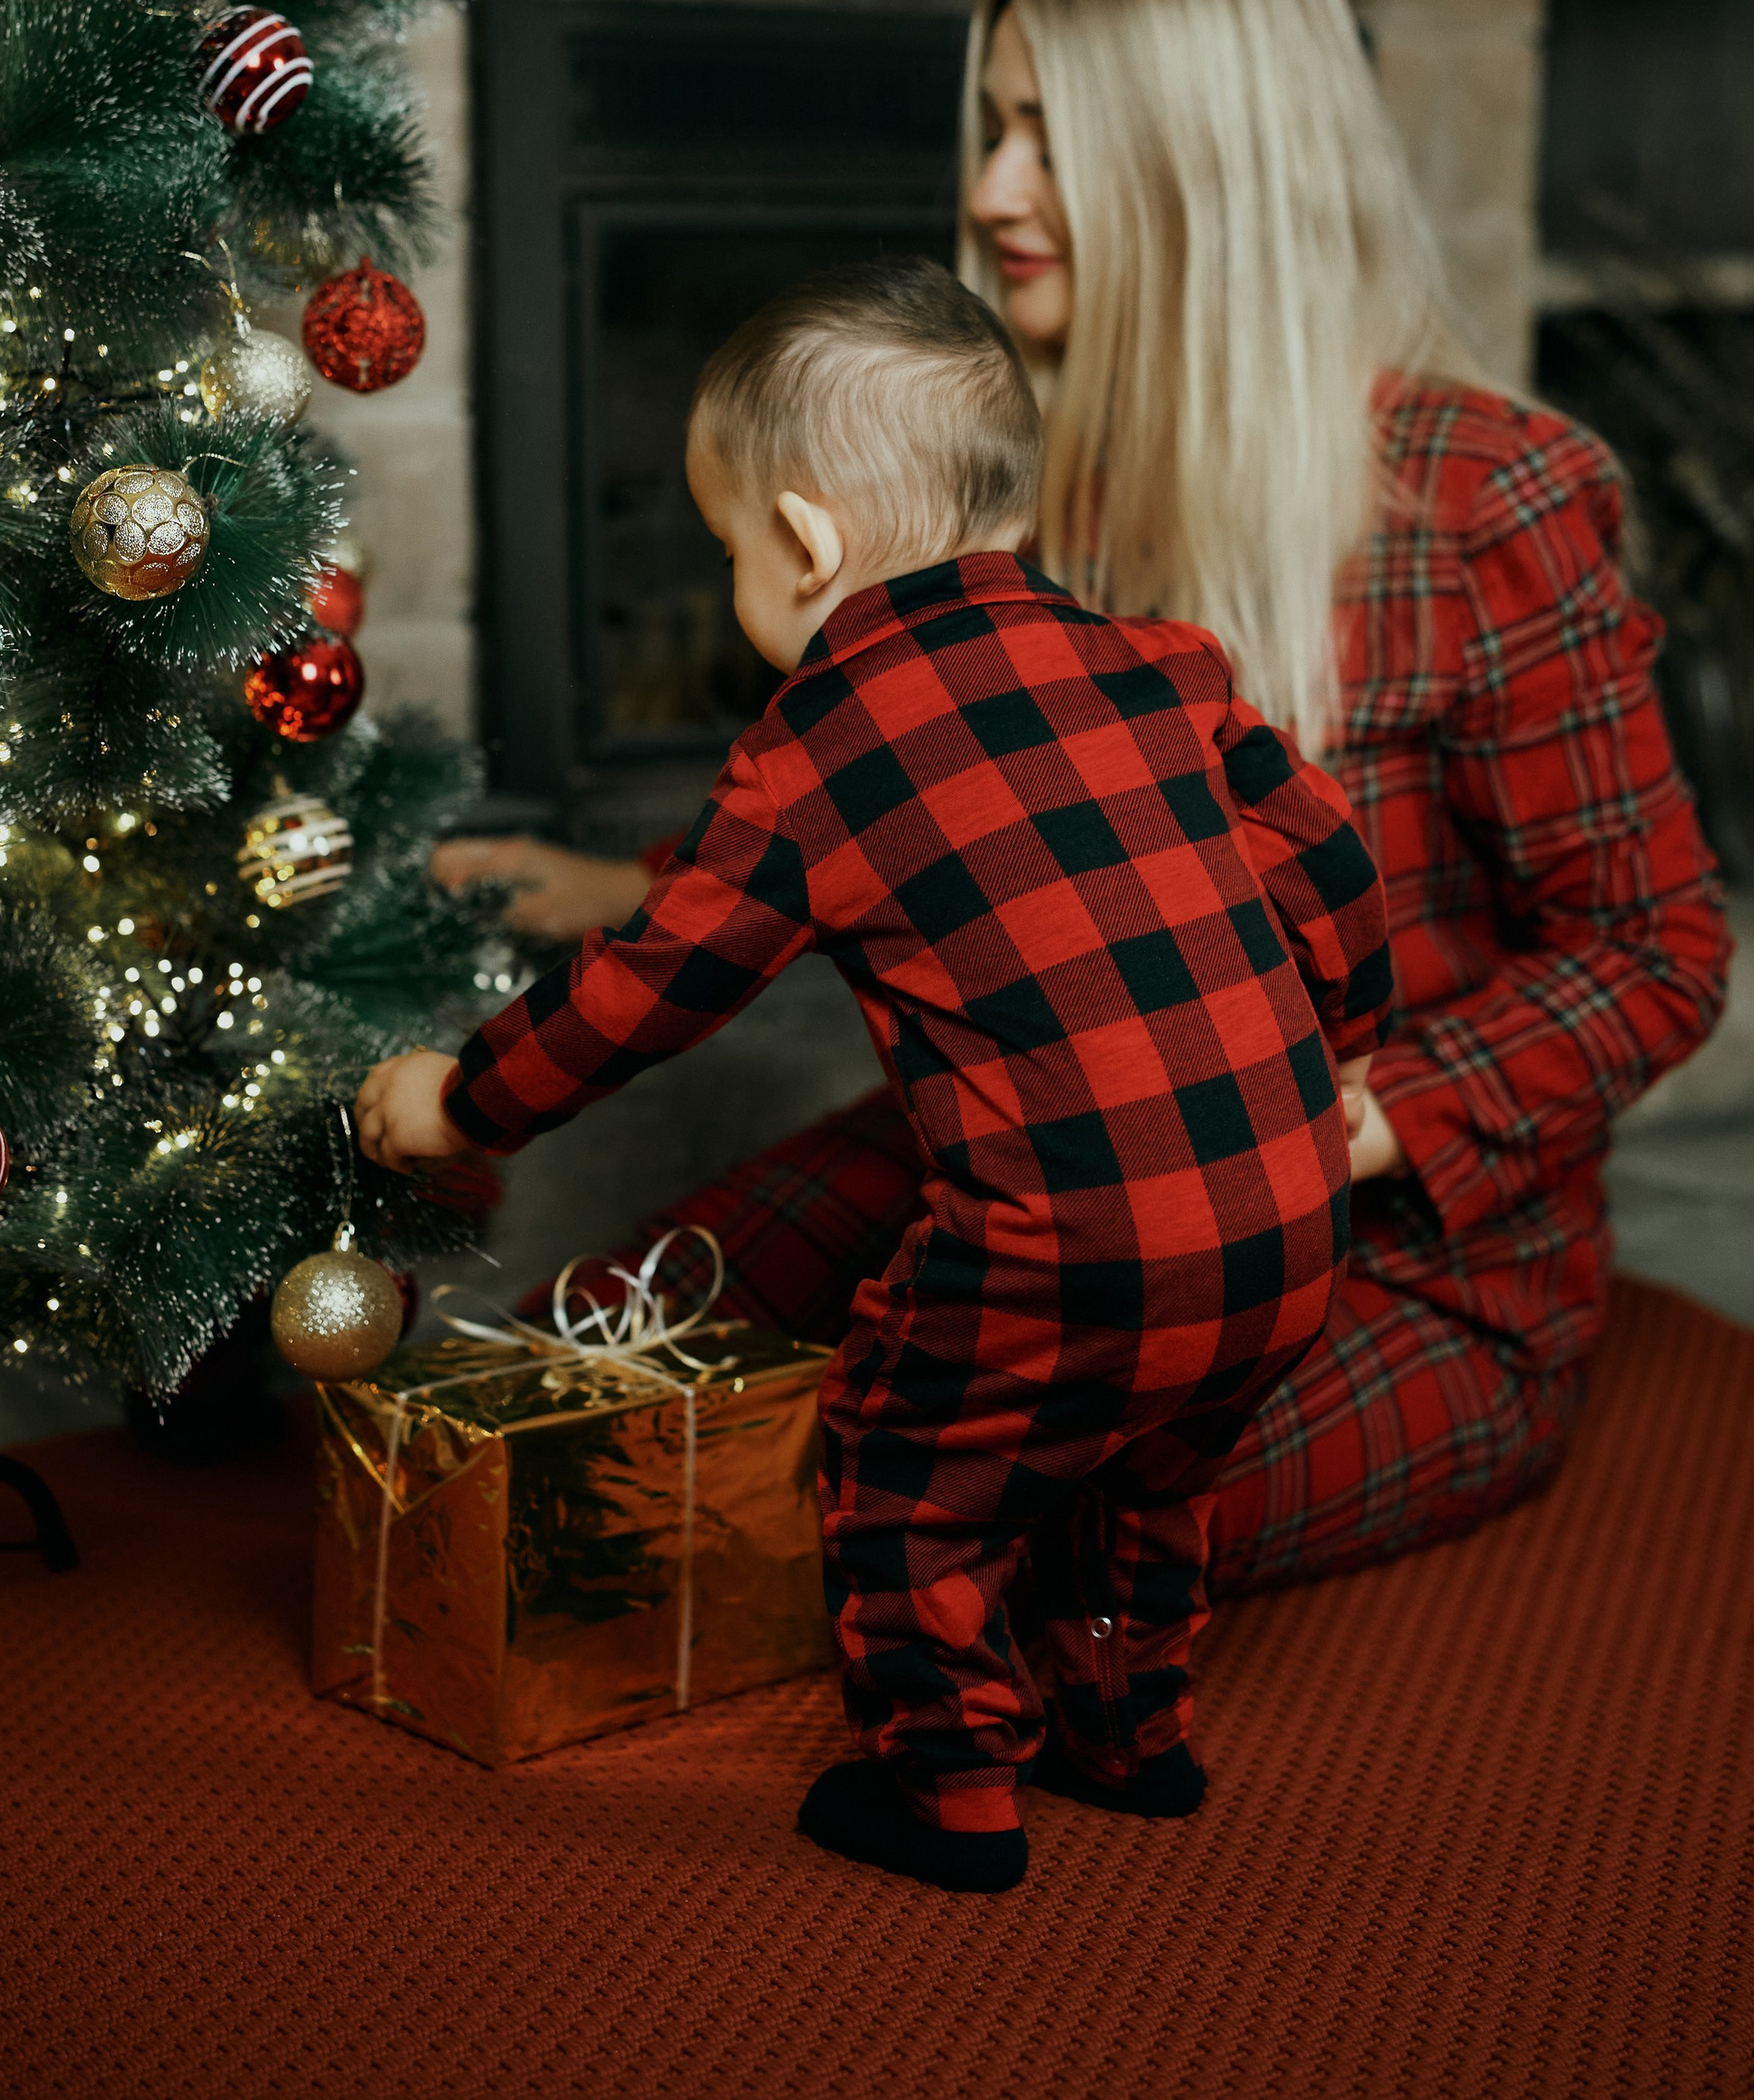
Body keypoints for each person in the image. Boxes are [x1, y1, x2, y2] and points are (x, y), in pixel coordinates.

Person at [433, 0, 1733, 1610]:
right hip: (1035, 1178)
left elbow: (1656, 952)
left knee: (979, 1534)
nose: (986, 192)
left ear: (1213, 165)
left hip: (1396, 1260)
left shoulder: (1487, 499)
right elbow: (883, 784)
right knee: (554, 1376)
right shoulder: (1009, 490)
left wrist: (1351, 1120)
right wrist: (633, 888)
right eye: (991, 126)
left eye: (1048, 136)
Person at [360, 255, 1394, 1896]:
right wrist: (1332, 1055)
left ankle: (951, 1789)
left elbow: (649, 989)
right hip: (1281, 1224)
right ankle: (1131, 1734)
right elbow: (1334, 866)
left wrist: (460, 1104)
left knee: (908, 1467)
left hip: (1064, 1251)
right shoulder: (1161, 665)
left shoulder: (816, 748)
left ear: (808, 542)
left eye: (726, 555)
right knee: (1146, 1471)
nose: (730, 589)